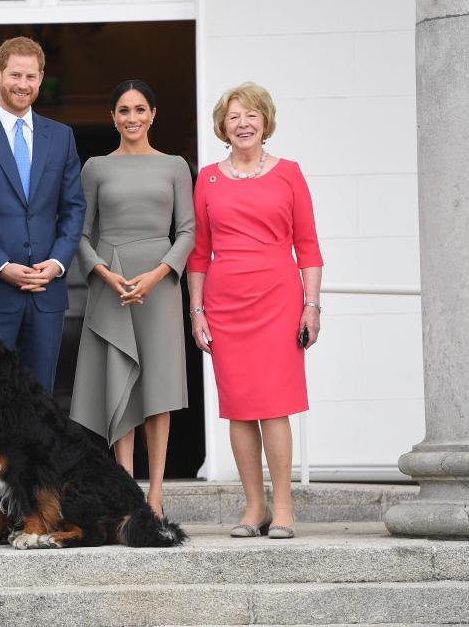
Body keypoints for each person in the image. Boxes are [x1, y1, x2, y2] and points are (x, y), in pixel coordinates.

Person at [187, 82, 323, 539]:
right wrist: (197, 311)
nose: (243, 123)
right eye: (233, 117)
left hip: (279, 302)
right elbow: (198, 253)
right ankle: (254, 507)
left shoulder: (289, 173)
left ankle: (283, 508)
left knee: (275, 406)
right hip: (226, 305)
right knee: (240, 408)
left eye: (251, 115)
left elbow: (308, 247)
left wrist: (312, 306)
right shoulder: (206, 177)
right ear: (223, 127)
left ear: (265, 122)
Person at [69, 80, 194, 520]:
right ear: (113, 117)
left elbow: (188, 231)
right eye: (123, 110)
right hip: (113, 284)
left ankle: (156, 496)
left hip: (158, 287)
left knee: (158, 388)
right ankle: (127, 493)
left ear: (153, 114)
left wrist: (159, 274)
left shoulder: (175, 165)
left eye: (140, 109)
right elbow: (80, 235)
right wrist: (104, 273)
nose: (132, 117)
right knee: (119, 384)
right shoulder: (95, 167)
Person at [0, 36, 86, 394]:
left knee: (41, 401)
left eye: (31, 77)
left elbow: (73, 207)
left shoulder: (62, 137)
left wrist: (57, 262)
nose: (23, 85)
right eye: (15, 75)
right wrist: (1, 266)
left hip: (46, 292)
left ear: (41, 78)